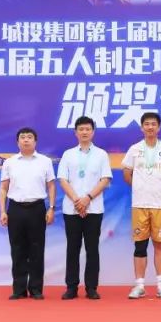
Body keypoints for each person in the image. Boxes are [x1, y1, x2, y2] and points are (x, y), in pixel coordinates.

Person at [122, 112, 161, 299]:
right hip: (139, 204)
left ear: (159, 127)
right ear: (142, 127)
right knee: (140, 246)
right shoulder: (134, 149)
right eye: (146, 124)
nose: (150, 127)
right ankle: (139, 286)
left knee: (160, 245)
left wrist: (159, 188)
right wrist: (141, 187)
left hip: (160, 205)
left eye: (153, 124)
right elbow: (127, 173)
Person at [57, 116, 112, 300]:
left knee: (92, 248)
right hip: (71, 208)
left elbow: (105, 179)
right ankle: (71, 287)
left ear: (93, 132)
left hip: (94, 208)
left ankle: (91, 287)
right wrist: (77, 200)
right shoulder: (68, 154)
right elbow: (63, 180)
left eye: (88, 129)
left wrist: (87, 198)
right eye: (81, 129)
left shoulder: (101, 154)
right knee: (72, 248)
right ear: (76, 132)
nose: (84, 132)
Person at [0, 127, 56, 300]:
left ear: (35, 141)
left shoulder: (45, 161)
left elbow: (51, 186)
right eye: (22, 137)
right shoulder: (9, 162)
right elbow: (3, 188)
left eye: (29, 137)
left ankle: (36, 289)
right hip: (15, 209)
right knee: (17, 250)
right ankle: (19, 289)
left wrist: (51, 207)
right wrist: (3, 211)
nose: (26, 140)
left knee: (37, 250)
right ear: (17, 142)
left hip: (37, 208)